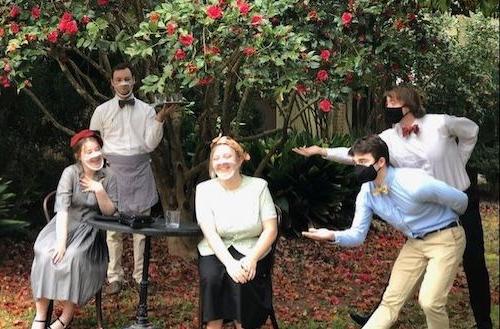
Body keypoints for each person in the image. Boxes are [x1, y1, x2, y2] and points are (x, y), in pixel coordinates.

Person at [293, 86, 492, 329]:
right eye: (386, 101)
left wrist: (459, 162)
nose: (388, 106)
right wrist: (321, 151)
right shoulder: (388, 138)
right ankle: (381, 313)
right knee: (408, 261)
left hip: (459, 195)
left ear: (408, 104)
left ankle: (483, 322)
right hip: (424, 207)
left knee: (473, 260)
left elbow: (471, 130)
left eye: (392, 102)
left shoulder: (440, 123)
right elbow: (356, 155)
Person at [303, 135, 468, 329]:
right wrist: (332, 235)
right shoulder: (366, 193)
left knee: (430, 301)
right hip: (415, 242)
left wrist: (450, 223)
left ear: (381, 162)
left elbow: (460, 200)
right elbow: (357, 235)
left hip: (445, 237)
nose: (358, 168)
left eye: (363, 162)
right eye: (355, 163)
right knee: (390, 302)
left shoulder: (413, 183)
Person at [89, 63, 178, 294]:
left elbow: (150, 144)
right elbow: (94, 144)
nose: (123, 83)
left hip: (140, 169)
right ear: (112, 82)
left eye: (127, 79)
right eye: (119, 79)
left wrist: (159, 119)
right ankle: (114, 277)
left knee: (141, 230)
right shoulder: (101, 111)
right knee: (113, 230)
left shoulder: (148, 110)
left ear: (134, 80)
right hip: (113, 171)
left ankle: (141, 277)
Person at [30, 129, 118, 329]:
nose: (95, 155)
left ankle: (65, 317)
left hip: (91, 230)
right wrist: (61, 243)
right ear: (79, 155)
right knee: (45, 252)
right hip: (64, 225)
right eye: (89, 152)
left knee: (73, 257)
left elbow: (109, 213)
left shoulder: (109, 175)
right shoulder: (70, 173)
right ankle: (41, 316)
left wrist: (99, 189)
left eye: (97, 150)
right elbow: (61, 209)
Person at [196, 135, 278, 329]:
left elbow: (270, 229)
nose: (222, 162)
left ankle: (244, 324)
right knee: (212, 277)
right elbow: (210, 232)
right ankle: (213, 326)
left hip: (251, 248)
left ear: (240, 160)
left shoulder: (259, 187)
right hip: (215, 249)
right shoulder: (204, 190)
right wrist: (230, 264)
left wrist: (251, 259)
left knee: (244, 280)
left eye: (227, 157)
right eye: (216, 158)